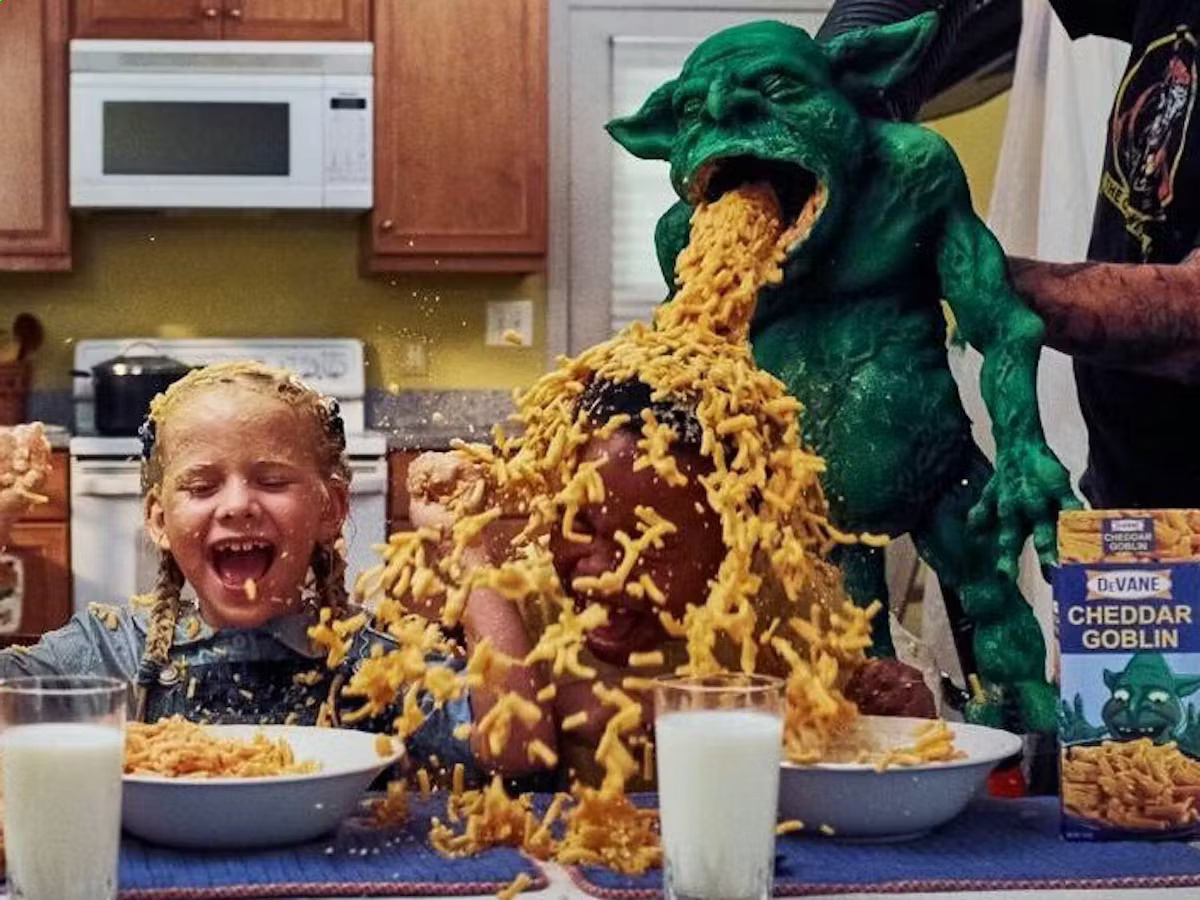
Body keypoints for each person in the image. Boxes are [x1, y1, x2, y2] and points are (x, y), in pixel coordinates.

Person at [406, 377, 936, 787]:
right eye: (580, 524)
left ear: (735, 543)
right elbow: (509, 747)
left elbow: (853, 729)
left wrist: (894, 710)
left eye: (650, 540)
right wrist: (465, 550)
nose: (604, 570)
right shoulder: (529, 601)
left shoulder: (781, 605)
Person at [0, 361, 394, 726]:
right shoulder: (109, 651)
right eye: (202, 486)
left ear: (330, 508)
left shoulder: (385, 661)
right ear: (159, 520)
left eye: (273, 481)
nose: (237, 506)